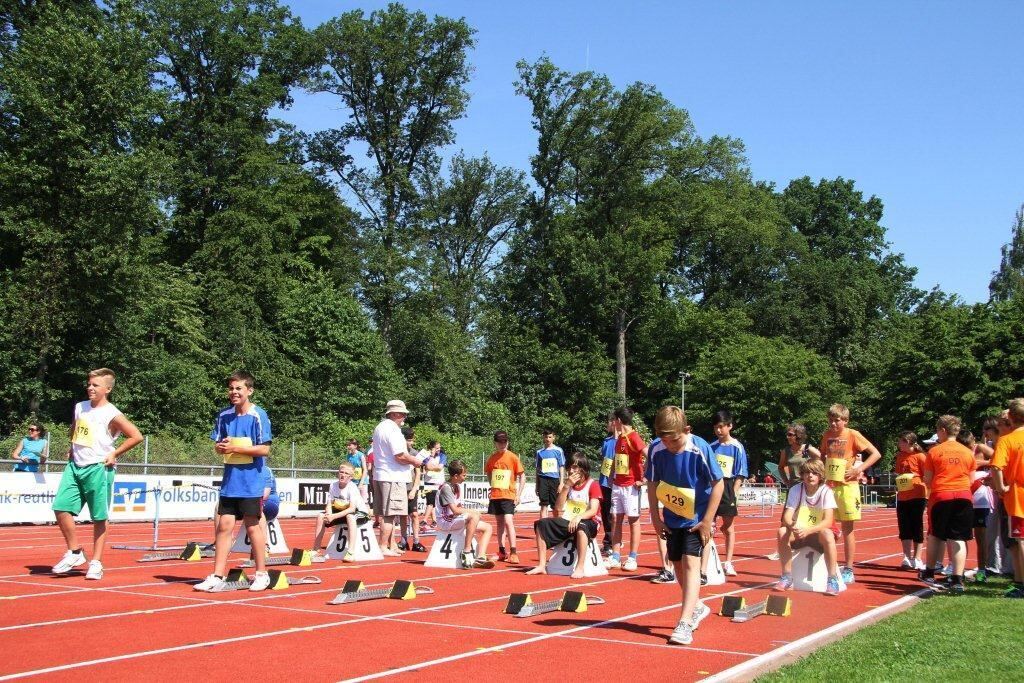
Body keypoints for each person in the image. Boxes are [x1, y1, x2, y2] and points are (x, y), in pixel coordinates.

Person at [51, 368, 143, 580]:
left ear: (107, 389)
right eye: (89, 384)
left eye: (95, 385)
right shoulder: (80, 407)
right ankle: (75, 552)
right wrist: (72, 446)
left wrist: (114, 453)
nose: (90, 388)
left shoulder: (112, 413)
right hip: (75, 466)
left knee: (99, 517)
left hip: (99, 468)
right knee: (61, 508)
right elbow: (74, 429)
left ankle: (97, 562)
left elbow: (136, 436)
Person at [646, 406, 723, 646]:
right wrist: (656, 517)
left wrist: (707, 521)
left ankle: (685, 622)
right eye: (664, 440)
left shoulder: (700, 448)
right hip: (672, 516)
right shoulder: (655, 450)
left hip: (697, 515)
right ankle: (697, 606)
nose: (669, 445)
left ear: (686, 430)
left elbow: (718, 483)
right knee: (676, 563)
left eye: (674, 439)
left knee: (691, 563)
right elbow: (652, 483)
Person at [195, 370, 273, 592]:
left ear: (249, 390)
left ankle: (261, 573)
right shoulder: (224, 416)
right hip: (230, 481)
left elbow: (264, 449)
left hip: (250, 482)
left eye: (238, 388)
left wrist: (236, 448)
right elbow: (218, 445)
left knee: (252, 527)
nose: (234, 392)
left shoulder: (259, 415)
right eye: (231, 388)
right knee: (223, 527)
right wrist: (220, 448)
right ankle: (217, 574)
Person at [819, 403, 882, 585]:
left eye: (836, 420)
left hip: (848, 486)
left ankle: (848, 568)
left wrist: (858, 469)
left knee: (848, 529)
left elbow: (875, 454)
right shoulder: (826, 435)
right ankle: (827, 565)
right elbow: (823, 456)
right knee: (825, 526)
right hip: (830, 485)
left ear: (845, 421)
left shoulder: (852, 434)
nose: (833, 424)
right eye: (830, 420)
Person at [918, 415, 976, 593]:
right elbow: (971, 479)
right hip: (964, 495)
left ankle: (929, 572)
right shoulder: (967, 452)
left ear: (942, 430)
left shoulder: (935, 451)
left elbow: (927, 479)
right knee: (958, 537)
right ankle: (957, 578)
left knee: (936, 534)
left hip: (942, 495)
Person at [527, 452, 602, 578]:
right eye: (569, 467)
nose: (570, 471)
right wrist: (566, 487)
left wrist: (578, 517)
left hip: (590, 522)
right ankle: (541, 565)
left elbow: (593, 510)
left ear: (583, 469)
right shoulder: (569, 486)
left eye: (574, 467)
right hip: (569, 520)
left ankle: (580, 567)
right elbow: (557, 509)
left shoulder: (593, 485)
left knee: (582, 526)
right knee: (542, 523)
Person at [775, 459, 844, 595]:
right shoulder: (796, 490)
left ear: (820, 476)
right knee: (782, 531)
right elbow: (787, 517)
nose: (810, 476)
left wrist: (808, 530)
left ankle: (832, 579)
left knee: (827, 533)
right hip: (801, 531)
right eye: (806, 472)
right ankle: (787, 576)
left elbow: (828, 521)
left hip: (818, 534)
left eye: (814, 473)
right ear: (802, 475)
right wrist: (792, 526)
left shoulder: (826, 491)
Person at [370, 400, 426, 557]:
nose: (404, 417)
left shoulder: (380, 427)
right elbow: (400, 456)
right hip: (392, 476)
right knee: (390, 515)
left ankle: (392, 544)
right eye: (402, 414)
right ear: (394, 414)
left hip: (381, 474)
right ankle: (383, 546)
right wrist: (417, 461)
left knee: (386, 513)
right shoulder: (393, 430)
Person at [701, 410, 747, 578]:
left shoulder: (737, 447)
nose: (719, 430)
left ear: (730, 426)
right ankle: (705, 563)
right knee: (708, 526)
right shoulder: (711, 447)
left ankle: (728, 561)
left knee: (728, 527)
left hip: (728, 486)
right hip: (713, 487)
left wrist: (734, 493)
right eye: (716, 427)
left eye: (721, 427)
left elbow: (741, 473)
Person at [605, 406, 647, 572]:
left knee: (633, 520)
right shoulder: (620, 438)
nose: (612, 423)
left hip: (631, 486)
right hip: (617, 484)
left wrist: (644, 478)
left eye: (613, 420)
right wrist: (611, 474)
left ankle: (632, 557)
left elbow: (648, 454)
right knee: (615, 518)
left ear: (619, 421)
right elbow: (617, 458)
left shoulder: (633, 437)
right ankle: (615, 556)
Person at [991, 399, 1024, 598]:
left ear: (1010, 418)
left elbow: (996, 467)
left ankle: (1021, 583)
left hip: (1018, 496)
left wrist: (1001, 487)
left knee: (1020, 540)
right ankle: (1019, 582)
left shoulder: (1007, 440)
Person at [435, 459, 494, 569]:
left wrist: (471, 512)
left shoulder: (457, 487)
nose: (465, 477)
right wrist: (473, 512)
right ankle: (466, 551)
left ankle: (480, 558)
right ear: (456, 476)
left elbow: (460, 508)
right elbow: (455, 511)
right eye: (464, 475)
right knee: (474, 516)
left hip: (453, 519)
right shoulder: (446, 488)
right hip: (445, 521)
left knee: (488, 527)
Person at [312, 462, 369, 560]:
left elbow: (352, 508)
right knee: (320, 516)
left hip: (360, 513)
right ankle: (315, 550)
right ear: (338, 473)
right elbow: (329, 504)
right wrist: (329, 514)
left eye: (346, 473)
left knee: (350, 516)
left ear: (351, 477)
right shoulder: (333, 485)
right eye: (341, 472)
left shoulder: (352, 487)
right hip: (343, 512)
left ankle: (350, 552)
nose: (343, 475)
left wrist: (333, 516)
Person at [958, 430, 994, 581]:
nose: (968, 448)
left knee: (980, 536)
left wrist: (982, 463)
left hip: (980, 496)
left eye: (969, 445)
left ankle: (981, 571)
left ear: (973, 441)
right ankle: (959, 572)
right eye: (965, 446)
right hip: (965, 493)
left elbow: (999, 457)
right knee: (962, 536)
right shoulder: (959, 451)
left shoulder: (980, 447)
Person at [485, 430, 524, 563]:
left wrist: (518, 494)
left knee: (508, 521)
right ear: (495, 443)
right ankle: (502, 551)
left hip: (509, 495)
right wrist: (492, 484)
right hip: (496, 496)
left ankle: (514, 552)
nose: (503, 444)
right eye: (500, 442)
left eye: (505, 441)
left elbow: (522, 475)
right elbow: (489, 472)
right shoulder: (492, 458)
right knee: (499, 523)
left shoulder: (513, 457)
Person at [894, 431, 928, 570]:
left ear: (908, 442)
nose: (898, 444)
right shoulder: (900, 456)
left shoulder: (920, 456)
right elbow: (898, 472)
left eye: (901, 441)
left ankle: (918, 557)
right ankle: (907, 557)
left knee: (917, 525)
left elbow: (927, 474)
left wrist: (914, 477)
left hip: (917, 495)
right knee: (904, 527)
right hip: (903, 495)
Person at [397, 425, 426, 552]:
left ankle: (416, 541)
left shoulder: (415, 453)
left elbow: (418, 473)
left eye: (412, 440)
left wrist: (414, 489)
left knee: (414, 514)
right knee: (402, 515)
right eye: (408, 440)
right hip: (400, 488)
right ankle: (403, 541)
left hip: (411, 488)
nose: (410, 443)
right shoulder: (398, 453)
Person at [535, 429, 566, 519]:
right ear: (543, 438)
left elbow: (561, 466)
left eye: (550, 437)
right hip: (543, 479)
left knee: (555, 505)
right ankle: (543, 528)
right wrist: (537, 485)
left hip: (554, 480)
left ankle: (556, 527)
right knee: (543, 505)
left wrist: (561, 483)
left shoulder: (558, 451)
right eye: (546, 437)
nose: (548, 439)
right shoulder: (539, 452)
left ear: (553, 438)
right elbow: (537, 469)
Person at [598, 415, 616, 556]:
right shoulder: (606, 441)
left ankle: (613, 542)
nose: (606, 425)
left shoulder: (624, 441)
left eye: (608, 422)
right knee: (605, 513)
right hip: (604, 482)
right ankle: (608, 542)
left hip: (616, 483)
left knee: (614, 515)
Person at [421, 440, 446, 529]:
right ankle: (434, 521)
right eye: (437, 448)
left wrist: (431, 467)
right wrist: (431, 456)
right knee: (431, 502)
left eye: (439, 447)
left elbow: (439, 468)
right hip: (428, 481)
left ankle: (424, 520)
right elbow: (426, 466)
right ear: (431, 448)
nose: (439, 449)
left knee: (431, 503)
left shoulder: (442, 456)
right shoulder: (427, 456)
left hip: (438, 482)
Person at [344, 439, 369, 504]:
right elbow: (348, 469)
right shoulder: (348, 456)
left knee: (363, 501)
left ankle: (365, 513)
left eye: (349, 445)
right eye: (347, 445)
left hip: (362, 481)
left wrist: (361, 483)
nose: (348, 447)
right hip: (352, 481)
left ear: (355, 446)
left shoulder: (361, 455)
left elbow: (365, 470)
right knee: (352, 500)